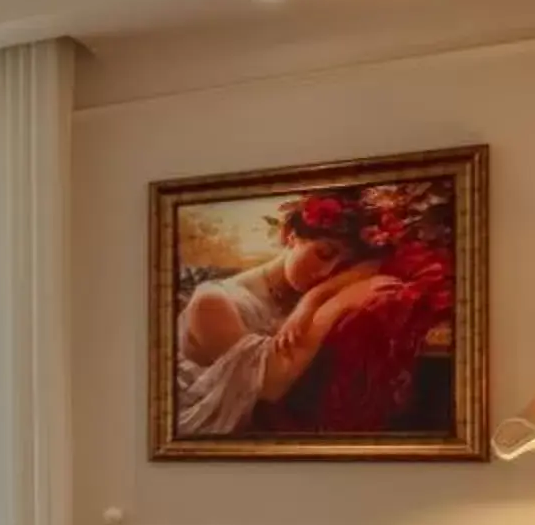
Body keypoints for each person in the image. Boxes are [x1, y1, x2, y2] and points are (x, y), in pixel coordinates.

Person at [174, 187, 452, 437]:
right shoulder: (213, 302)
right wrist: (338, 301)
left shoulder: (307, 294)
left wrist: (313, 299)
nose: (327, 273)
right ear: (289, 235)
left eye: (342, 266)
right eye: (324, 253)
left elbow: (371, 267)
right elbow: (270, 383)